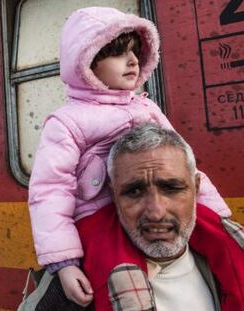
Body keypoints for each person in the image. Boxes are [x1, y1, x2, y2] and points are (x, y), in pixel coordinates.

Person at [28, 7, 231, 306]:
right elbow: (50, 189)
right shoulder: (67, 121)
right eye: (117, 53)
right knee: (119, 275)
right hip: (97, 215)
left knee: (228, 244)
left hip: (149, 203)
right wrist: (65, 262)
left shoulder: (148, 108)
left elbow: (184, 165)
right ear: (86, 63)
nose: (133, 61)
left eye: (135, 52)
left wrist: (216, 214)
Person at [76, 123, 244, 310]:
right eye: (135, 191)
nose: (156, 213)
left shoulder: (230, 262)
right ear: (114, 196)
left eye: (171, 188)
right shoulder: (73, 286)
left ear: (196, 189)